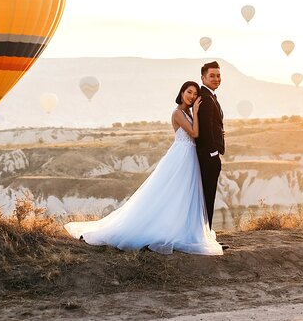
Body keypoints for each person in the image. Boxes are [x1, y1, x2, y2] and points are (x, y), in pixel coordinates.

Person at [64, 81, 223, 255]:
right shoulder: (178, 113)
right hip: (181, 157)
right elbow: (194, 133)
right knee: (171, 193)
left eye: (194, 94)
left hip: (190, 157)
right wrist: (198, 112)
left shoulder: (187, 112)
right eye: (189, 92)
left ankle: (181, 228)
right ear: (182, 92)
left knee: (184, 195)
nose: (192, 96)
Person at [195, 61, 225, 233]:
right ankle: (205, 236)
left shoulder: (210, 96)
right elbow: (205, 129)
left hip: (209, 155)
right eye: (212, 76)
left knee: (207, 197)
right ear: (203, 77)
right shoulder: (206, 98)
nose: (216, 79)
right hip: (209, 157)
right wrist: (213, 152)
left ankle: (205, 234)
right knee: (208, 197)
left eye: (218, 75)